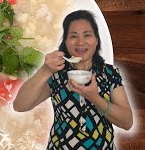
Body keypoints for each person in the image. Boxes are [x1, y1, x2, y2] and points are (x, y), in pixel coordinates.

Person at [13, 10, 133, 149]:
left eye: (87, 35)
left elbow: (127, 122)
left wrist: (95, 98)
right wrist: (45, 70)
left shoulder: (109, 73)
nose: (80, 42)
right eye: (73, 36)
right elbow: (20, 106)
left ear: (96, 40)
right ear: (66, 41)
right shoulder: (56, 74)